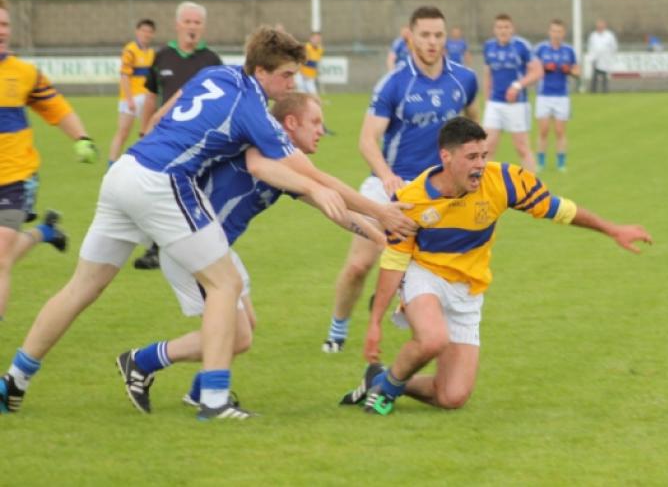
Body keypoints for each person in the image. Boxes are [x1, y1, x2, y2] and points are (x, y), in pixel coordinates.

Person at [0, 26, 413, 420]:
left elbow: (165, 113)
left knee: (81, 288)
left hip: (126, 170)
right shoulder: (252, 109)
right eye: (286, 75)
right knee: (226, 283)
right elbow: (312, 178)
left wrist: (382, 233)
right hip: (161, 183)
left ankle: (14, 381)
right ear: (261, 72)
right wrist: (381, 211)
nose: (292, 84)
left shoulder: (216, 73)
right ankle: (213, 399)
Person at [340, 117, 653, 415]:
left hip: (469, 288)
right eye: (472, 157)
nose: (480, 165)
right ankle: (385, 395)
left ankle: (381, 380)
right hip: (426, 275)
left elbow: (559, 209)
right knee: (433, 339)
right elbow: (394, 262)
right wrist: (375, 322)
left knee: (452, 396)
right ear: (446, 156)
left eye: (484, 155)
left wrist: (612, 229)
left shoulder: (504, 180)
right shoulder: (412, 199)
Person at [116, 93, 385, 414]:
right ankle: (141, 362)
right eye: (315, 122)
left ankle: (200, 389)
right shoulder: (257, 151)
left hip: (216, 250)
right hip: (190, 246)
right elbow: (266, 169)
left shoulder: (286, 169)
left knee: (246, 326)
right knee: (239, 336)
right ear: (290, 123)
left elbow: (335, 209)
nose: (321, 131)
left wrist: (380, 234)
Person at [323, 6, 479, 354]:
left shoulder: (464, 79)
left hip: (436, 193)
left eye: (438, 35)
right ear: (410, 36)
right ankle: (338, 327)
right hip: (387, 187)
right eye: (425, 35)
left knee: (429, 266)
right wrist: (387, 176)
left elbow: (472, 125)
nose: (432, 42)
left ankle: (420, 321)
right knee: (359, 265)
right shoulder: (394, 83)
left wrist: (476, 166)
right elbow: (366, 139)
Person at [0, 0, 98, 321]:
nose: (1, 31)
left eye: (5, 24)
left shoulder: (24, 73)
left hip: (14, 178)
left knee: (1, 257)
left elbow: (55, 107)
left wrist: (81, 138)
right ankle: (46, 232)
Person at [134, 1, 223, 270]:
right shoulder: (162, 57)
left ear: (203, 27)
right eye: (188, 22)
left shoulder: (211, 60)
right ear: (178, 25)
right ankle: (154, 249)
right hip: (163, 140)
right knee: (158, 194)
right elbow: (150, 97)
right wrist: (143, 130)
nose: (192, 27)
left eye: (197, 22)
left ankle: (196, 248)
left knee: (195, 194)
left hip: (200, 142)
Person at [482, 13, 539, 173]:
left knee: (521, 147)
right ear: (494, 30)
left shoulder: (522, 46)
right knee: (487, 147)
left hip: (517, 104)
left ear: (512, 29)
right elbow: (487, 74)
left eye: (506, 27)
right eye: (499, 27)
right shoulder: (489, 47)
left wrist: (517, 85)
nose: (503, 31)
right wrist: (487, 101)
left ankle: (532, 188)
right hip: (495, 103)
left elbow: (537, 72)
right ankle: (482, 186)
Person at [533, 19, 580, 173]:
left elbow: (577, 72)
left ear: (563, 33)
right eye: (554, 31)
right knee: (543, 130)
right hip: (544, 95)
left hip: (561, 96)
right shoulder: (541, 49)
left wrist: (569, 71)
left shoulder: (569, 51)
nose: (556, 34)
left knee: (560, 131)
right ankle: (541, 162)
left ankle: (561, 163)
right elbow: (532, 69)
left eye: (559, 31)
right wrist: (544, 69)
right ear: (549, 32)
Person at [107, 19, 156, 164]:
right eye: (143, 31)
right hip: (131, 98)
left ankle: (140, 162)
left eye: (149, 32)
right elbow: (124, 76)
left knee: (147, 132)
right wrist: (129, 99)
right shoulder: (130, 50)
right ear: (137, 32)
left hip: (147, 98)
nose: (146, 34)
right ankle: (112, 163)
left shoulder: (152, 53)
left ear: (153, 34)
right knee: (123, 132)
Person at [586, 19, 617, 94]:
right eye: (598, 25)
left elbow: (614, 46)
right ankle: (593, 91)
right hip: (595, 59)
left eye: (601, 25)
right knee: (594, 76)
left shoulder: (609, 35)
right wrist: (591, 56)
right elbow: (590, 46)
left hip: (605, 59)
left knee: (605, 76)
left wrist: (610, 56)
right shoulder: (593, 35)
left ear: (604, 26)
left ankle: (605, 91)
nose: (600, 27)